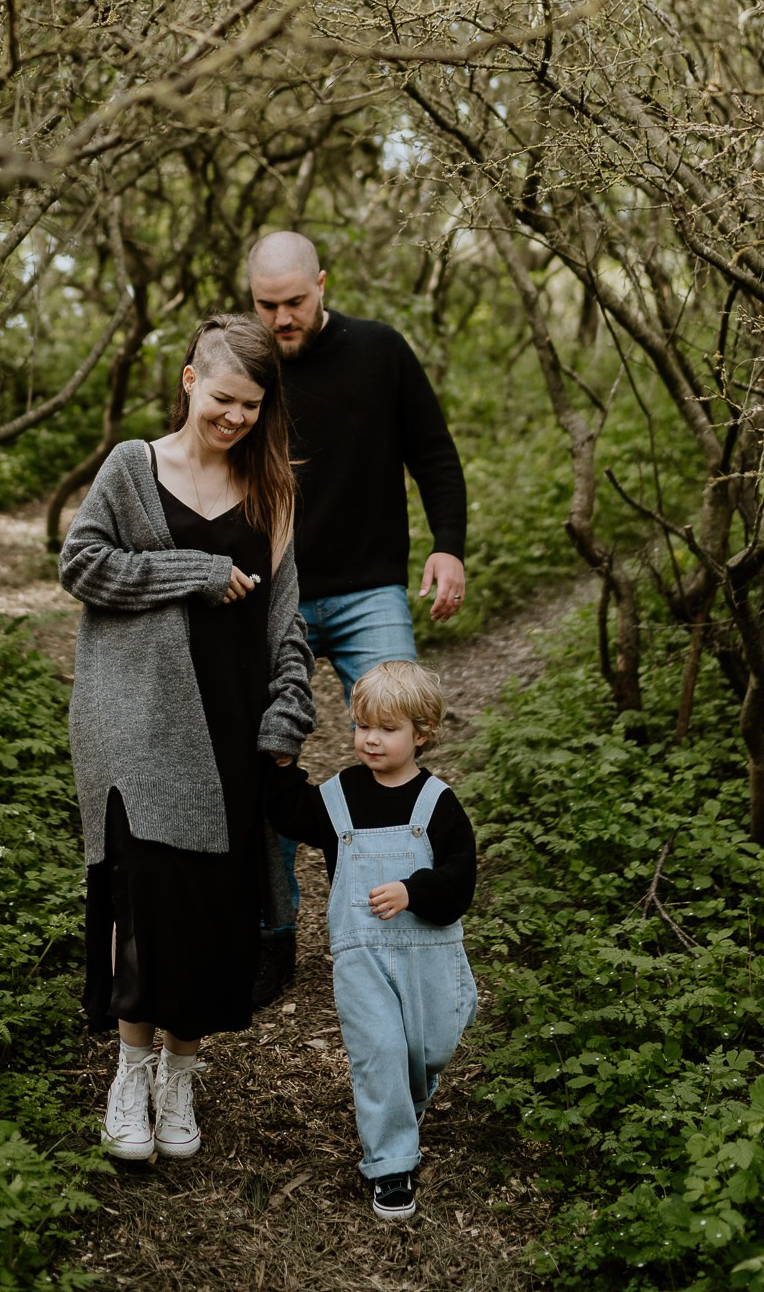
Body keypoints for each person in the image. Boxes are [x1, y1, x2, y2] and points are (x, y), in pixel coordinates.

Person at [60, 313, 316, 1164]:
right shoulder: (134, 468)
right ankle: (130, 1073)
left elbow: (287, 625)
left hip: (233, 730)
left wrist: (287, 716)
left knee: (211, 912)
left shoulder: (272, 489)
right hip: (138, 723)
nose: (235, 416)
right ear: (188, 381)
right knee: (148, 901)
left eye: (250, 403)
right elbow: (82, 564)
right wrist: (195, 574)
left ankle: (180, 1075)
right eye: (222, 397)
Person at [248, 229, 467, 1000]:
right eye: (267, 305)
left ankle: (393, 908)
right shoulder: (244, 366)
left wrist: (448, 547)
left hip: (371, 588)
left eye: (296, 301)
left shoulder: (380, 351)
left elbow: (434, 454)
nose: (282, 319)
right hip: (272, 593)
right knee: (265, 759)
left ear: (323, 285)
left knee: (392, 745)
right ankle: (276, 933)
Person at [264, 661, 477, 1221]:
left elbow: (461, 877)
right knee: (379, 1051)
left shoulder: (437, 802)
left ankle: (406, 1108)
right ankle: (391, 1164)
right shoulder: (339, 797)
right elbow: (289, 813)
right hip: (362, 957)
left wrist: (414, 891)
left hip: (429, 951)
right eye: (362, 727)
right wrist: (281, 762)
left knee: (428, 1048)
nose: (371, 740)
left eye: (387, 729)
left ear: (421, 734)